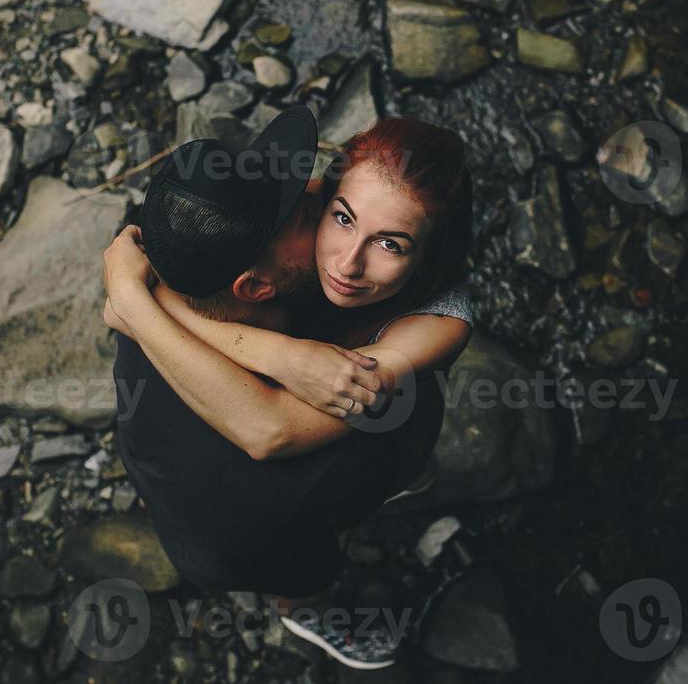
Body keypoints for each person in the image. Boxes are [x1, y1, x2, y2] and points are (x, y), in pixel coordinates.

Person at [103, 105, 474, 670]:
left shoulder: (186, 252)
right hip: (232, 531)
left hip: (159, 451)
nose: (347, 264)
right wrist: (287, 355)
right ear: (256, 287)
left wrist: (137, 302)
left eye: (391, 243)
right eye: (330, 218)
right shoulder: (296, 472)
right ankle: (304, 610)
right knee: (303, 567)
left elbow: (129, 293)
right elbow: (269, 428)